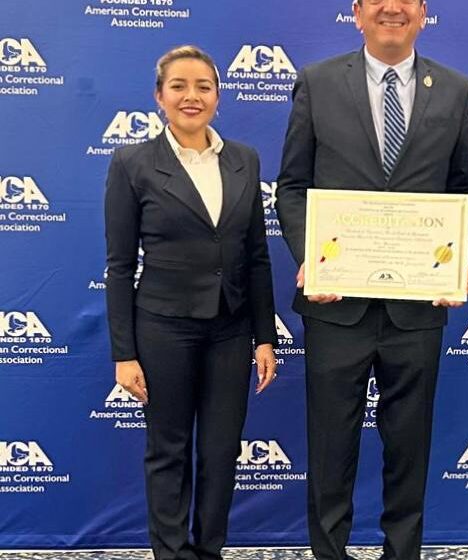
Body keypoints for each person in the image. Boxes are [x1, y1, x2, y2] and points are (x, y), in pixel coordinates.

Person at [276, 0, 468, 558]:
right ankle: (329, 553)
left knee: (409, 446)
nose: (392, 7)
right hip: (334, 300)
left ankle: (402, 553)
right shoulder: (316, 83)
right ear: (358, 12)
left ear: (422, 13)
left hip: (416, 304)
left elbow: (465, 189)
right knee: (330, 445)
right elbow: (291, 187)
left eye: (405, 0)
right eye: (378, 0)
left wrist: (458, 252)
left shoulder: (458, 89)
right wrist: (309, 255)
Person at [104, 45, 278, 560]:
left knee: (222, 452)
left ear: (218, 97)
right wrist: (124, 353)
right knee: (168, 451)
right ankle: (172, 552)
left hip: (230, 329)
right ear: (160, 97)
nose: (191, 96)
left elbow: (258, 257)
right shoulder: (132, 162)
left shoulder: (244, 159)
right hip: (162, 328)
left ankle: (210, 552)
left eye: (203, 86)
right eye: (178, 86)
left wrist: (265, 336)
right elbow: (118, 266)